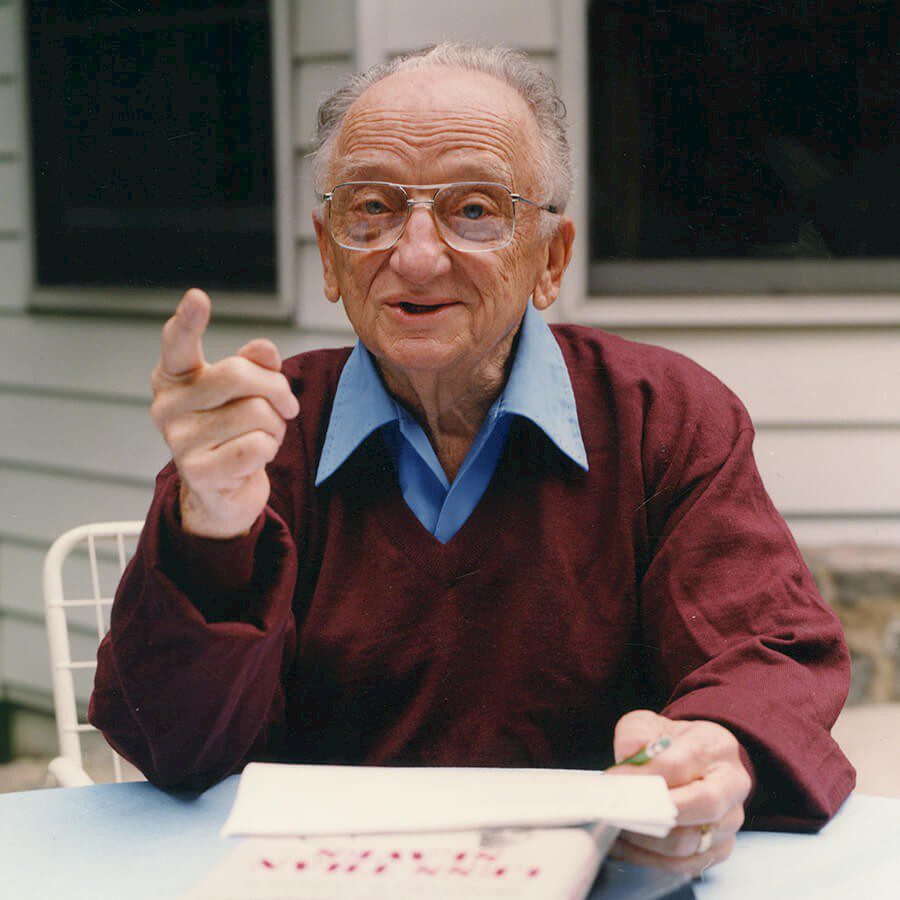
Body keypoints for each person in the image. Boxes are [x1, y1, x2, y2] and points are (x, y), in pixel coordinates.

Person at [89, 43, 855, 875]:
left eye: (476, 210)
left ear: (551, 258)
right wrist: (212, 525)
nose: (416, 256)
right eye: (373, 206)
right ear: (330, 253)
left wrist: (713, 746)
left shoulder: (661, 417)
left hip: (597, 880)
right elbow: (174, 747)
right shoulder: (255, 437)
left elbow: (765, 650)